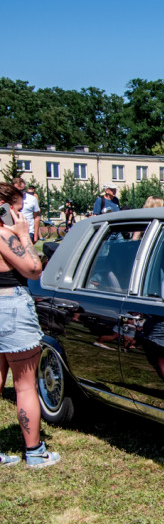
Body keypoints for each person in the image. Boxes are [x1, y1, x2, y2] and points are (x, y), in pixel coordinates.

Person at [0, 182, 58, 467]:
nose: (20, 215)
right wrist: (23, 236)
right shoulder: (4, 235)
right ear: (6, 208)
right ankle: (35, 452)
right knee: (24, 385)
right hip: (9, 305)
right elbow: (34, 269)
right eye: (18, 209)